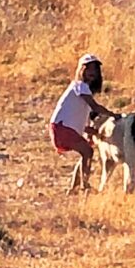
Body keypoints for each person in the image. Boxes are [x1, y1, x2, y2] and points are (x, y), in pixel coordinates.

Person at [50, 54, 112, 194]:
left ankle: (74, 188)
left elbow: (80, 115)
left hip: (64, 127)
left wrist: (91, 132)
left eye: (95, 70)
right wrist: (114, 115)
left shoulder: (84, 90)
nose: (92, 73)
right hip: (62, 128)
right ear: (81, 70)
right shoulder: (79, 86)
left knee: (87, 151)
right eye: (88, 69)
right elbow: (95, 107)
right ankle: (84, 185)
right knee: (87, 152)